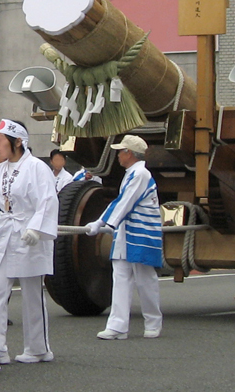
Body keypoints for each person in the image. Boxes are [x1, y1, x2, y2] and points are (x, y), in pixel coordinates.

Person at [0, 119, 58, 364]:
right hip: (4, 233)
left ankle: (38, 348)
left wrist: (36, 228)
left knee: (31, 293)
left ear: (17, 141)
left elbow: (48, 200)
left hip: (28, 235)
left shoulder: (37, 167)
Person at [86, 135, 163, 340]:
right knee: (120, 277)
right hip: (126, 232)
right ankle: (118, 326)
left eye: (120, 151)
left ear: (129, 153)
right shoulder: (131, 174)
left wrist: (103, 224)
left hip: (141, 233)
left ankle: (153, 321)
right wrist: (101, 222)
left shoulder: (141, 174)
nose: (118, 155)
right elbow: (120, 201)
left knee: (145, 279)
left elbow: (125, 202)